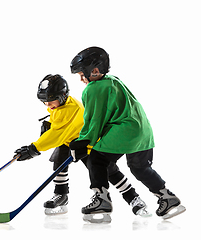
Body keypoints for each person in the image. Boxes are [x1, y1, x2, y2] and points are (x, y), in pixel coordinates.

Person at [69, 47, 186, 222]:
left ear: (94, 70)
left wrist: (83, 141)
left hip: (123, 131)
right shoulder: (114, 80)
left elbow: (95, 119)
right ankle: (167, 198)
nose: (81, 79)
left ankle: (101, 200)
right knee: (140, 168)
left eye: (81, 74)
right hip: (142, 131)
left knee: (96, 159)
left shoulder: (93, 89)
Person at [14, 74, 150, 217]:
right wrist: (49, 124)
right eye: (44, 102)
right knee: (59, 161)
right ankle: (61, 195)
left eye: (50, 101)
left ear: (62, 96)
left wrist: (34, 149)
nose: (47, 105)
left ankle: (133, 197)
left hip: (86, 143)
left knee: (106, 170)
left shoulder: (70, 109)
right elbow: (59, 130)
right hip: (69, 141)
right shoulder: (60, 106)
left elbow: (56, 134)